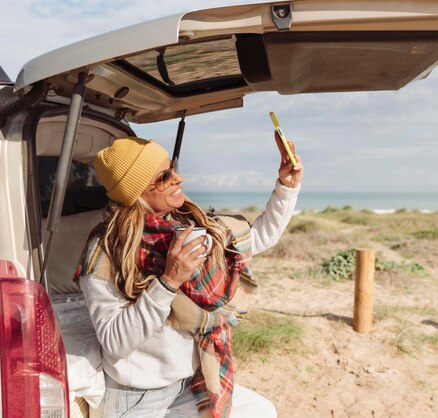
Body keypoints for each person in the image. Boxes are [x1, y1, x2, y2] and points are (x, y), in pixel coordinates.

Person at [74, 134, 302, 417]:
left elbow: (256, 239)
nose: (179, 178)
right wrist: (169, 281)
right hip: (137, 399)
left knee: (261, 410)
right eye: (165, 175)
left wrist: (286, 189)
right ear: (138, 191)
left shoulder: (187, 224)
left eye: (174, 168)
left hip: (189, 383)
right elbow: (115, 342)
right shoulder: (107, 250)